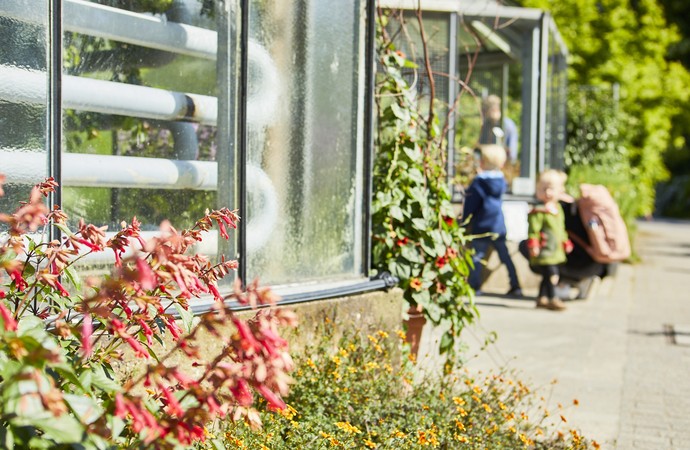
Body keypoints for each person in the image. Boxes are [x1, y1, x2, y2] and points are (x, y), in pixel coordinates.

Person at [463, 144, 522, 297]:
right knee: (505, 258)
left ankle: (474, 287)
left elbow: (471, 204)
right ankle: (515, 285)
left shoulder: (478, 183)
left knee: (476, 258)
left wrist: (464, 221)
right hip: (498, 225)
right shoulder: (501, 181)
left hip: (482, 226)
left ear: (482, 161)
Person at [526, 169, 574, 311]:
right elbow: (533, 230)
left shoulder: (557, 209)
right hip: (545, 250)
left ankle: (542, 297)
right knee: (552, 274)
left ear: (560, 190)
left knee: (547, 275)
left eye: (551, 189)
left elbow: (561, 229)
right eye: (543, 189)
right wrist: (533, 244)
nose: (547, 193)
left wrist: (565, 242)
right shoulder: (538, 211)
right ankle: (553, 298)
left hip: (555, 249)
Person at [478, 94, 518, 164]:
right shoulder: (485, 125)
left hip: (503, 164)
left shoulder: (508, 126)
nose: (483, 114)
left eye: (484, 111)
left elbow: (512, 152)